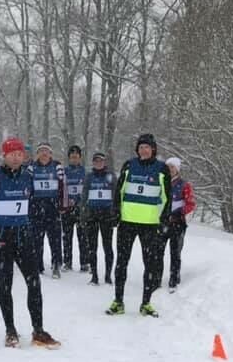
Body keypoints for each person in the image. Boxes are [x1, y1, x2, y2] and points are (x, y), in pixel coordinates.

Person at [0, 137, 61, 349]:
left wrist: (32, 226)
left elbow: (32, 205)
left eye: (19, 154)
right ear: (4, 156)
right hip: (2, 239)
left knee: (34, 282)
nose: (16, 158)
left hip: (24, 238)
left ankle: (38, 330)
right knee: (5, 284)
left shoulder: (28, 177)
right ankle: (10, 330)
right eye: (12, 154)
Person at [106, 133, 171, 318]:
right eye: (141, 147)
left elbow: (167, 197)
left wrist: (164, 219)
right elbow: (119, 190)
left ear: (153, 149)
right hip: (127, 222)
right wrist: (116, 211)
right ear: (137, 150)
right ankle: (118, 301)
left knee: (149, 264)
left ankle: (146, 303)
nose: (144, 150)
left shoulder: (162, 169)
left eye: (147, 147)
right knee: (121, 262)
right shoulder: (129, 165)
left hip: (150, 224)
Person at [28, 142, 66, 278]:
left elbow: (63, 186)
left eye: (46, 151)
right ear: (37, 154)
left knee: (55, 238)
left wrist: (63, 205)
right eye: (41, 151)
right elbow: (28, 187)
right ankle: (37, 265)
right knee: (36, 238)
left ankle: (56, 264)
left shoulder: (57, 166)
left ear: (50, 154)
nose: (44, 153)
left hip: (52, 207)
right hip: (36, 207)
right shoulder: (31, 167)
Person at [80, 151, 117, 287]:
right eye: (96, 161)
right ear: (93, 163)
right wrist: (83, 214)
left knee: (108, 246)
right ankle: (94, 276)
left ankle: (108, 276)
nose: (98, 163)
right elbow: (84, 196)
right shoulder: (89, 177)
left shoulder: (111, 176)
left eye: (100, 161)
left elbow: (116, 196)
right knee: (92, 247)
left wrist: (116, 213)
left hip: (107, 215)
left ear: (104, 162)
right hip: (92, 215)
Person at [164, 157, 196, 291]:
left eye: (172, 167)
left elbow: (191, 204)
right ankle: (155, 278)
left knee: (175, 252)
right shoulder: (161, 182)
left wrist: (180, 212)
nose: (170, 169)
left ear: (177, 169)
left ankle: (174, 278)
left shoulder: (184, 185)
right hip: (162, 222)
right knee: (157, 252)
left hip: (178, 223)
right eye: (168, 167)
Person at [61, 144, 88, 272]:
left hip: (81, 209)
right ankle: (67, 262)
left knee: (82, 236)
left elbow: (87, 190)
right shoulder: (64, 171)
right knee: (67, 236)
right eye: (72, 157)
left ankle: (84, 262)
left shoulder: (85, 172)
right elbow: (61, 189)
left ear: (80, 158)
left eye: (76, 157)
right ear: (69, 158)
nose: (74, 159)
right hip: (67, 209)